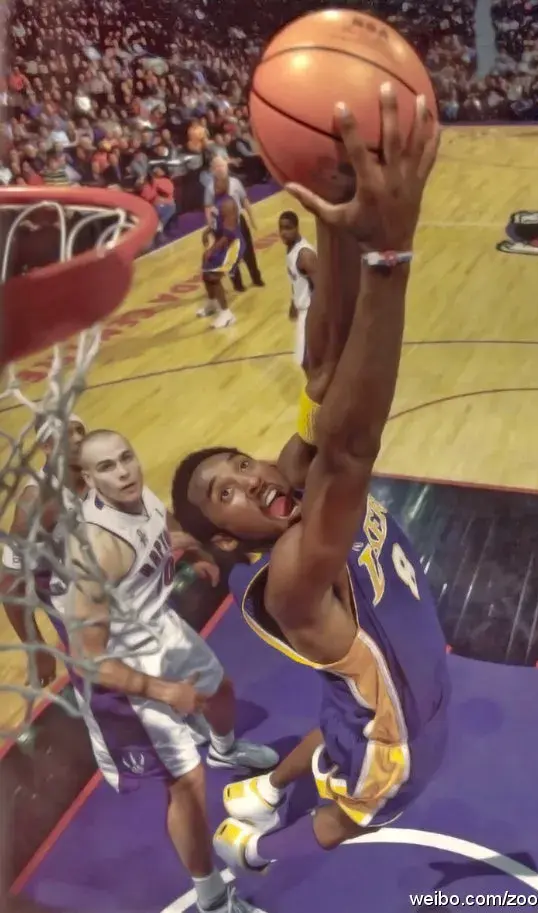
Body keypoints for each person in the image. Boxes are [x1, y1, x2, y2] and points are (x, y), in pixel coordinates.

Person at [170, 87, 447, 879]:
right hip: (392, 730)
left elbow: (323, 369)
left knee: (336, 710)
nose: (249, 478)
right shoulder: (292, 575)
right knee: (344, 811)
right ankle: (250, 848)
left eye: (240, 464)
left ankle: (261, 788)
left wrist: (333, 210)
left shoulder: (285, 488)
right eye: (226, 494)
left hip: (365, 676)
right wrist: (389, 256)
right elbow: (352, 447)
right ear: (229, 538)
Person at [65, 430, 277, 913]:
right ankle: (213, 899)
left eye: (126, 458)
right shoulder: (95, 551)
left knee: (221, 690)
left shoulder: (140, 497)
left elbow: (163, 526)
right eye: (107, 467)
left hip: (159, 627)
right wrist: (163, 691)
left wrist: (196, 553)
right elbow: (86, 657)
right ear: (88, 480)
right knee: (186, 783)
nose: (124, 472)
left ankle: (226, 749)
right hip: (122, 669)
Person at [0, 414, 87, 687]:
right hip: (79, 620)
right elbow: (9, 582)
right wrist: (36, 648)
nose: (77, 439)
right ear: (46, 447)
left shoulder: (100, 471)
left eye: (80, 431)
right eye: (67, 434)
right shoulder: (36, 502)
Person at [203, 158, 264, 292]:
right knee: (231, 255)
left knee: (248, 252)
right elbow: (208, 207)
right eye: (218, 166)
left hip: (239, 221)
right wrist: (211, 226)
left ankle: (256, 278)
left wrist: (252, 218)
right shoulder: (210, 188)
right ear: (213, 169)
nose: (221, 168)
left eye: (223, 165)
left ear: (227, 167)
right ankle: (238, 284)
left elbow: (244, 200)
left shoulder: (235, 182)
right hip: (222, 225)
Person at [196, 167, 245, 329]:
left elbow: (229, 233)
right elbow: (218, 223)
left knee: (213, 276)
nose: (215, 186)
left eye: (219, 183)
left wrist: (212, 249)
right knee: (206, 272)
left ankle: (227, 315)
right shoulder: (217, 201)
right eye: (214, 183)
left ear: (226, 185)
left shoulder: (228, 204)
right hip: (222, 241)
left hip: (232, 245)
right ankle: (212, 304)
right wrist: (208, 231)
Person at [278, 210, 318, 369]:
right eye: (281, 228)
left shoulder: (305, 255)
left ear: (297, 228)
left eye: (288, 228)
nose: (283, 232)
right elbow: (298, 280)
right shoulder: (291, 249)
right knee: (306, 361)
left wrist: (318, 316)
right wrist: (293, 302)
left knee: (307, 360)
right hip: (303, 310)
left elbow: (321, 286)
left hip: (311, 312)